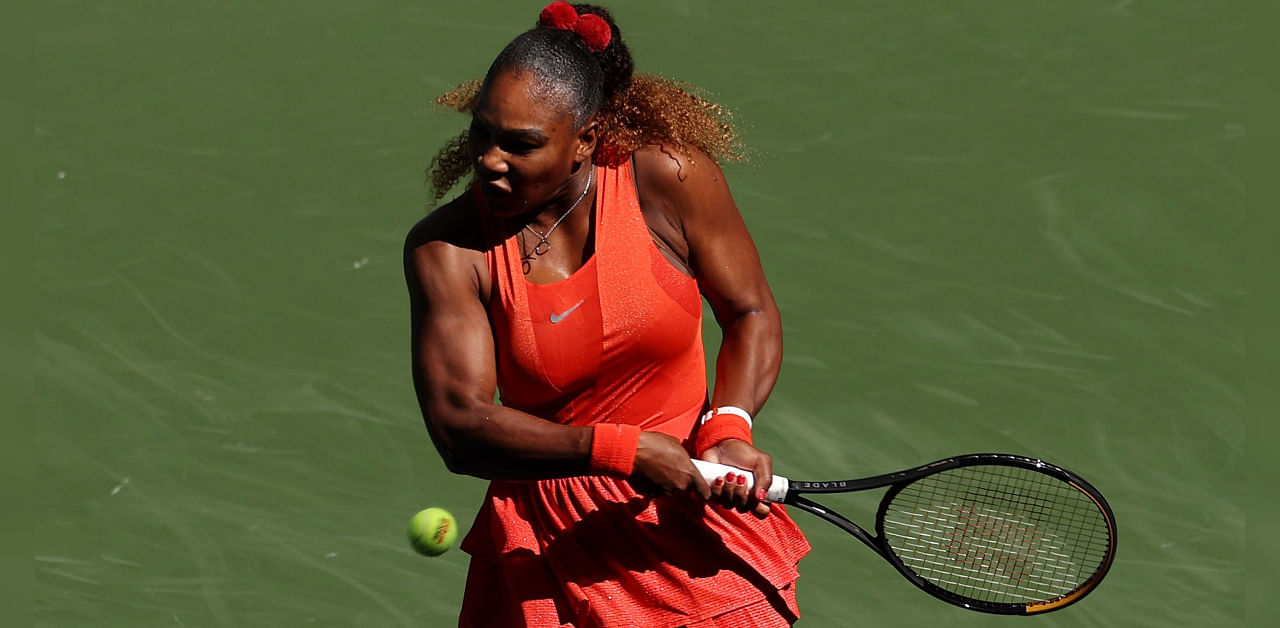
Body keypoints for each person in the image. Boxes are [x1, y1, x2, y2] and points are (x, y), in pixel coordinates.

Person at [404, 3, 809, 626]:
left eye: (521, 144)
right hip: (546, 551)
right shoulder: (448, 250)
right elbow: (462, 425)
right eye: (482, 133)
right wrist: (620, 452)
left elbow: (750, 311)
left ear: (586, 140)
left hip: (690, 523)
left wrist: (728, 427)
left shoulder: (668, 178)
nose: (489, 160)